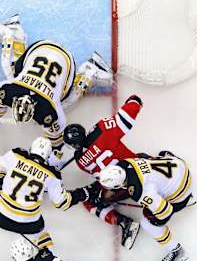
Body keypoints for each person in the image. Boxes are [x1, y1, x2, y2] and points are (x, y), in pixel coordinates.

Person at [0, 14, 113, 150]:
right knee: (10, 70)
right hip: (43, 49)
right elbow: (54, 143)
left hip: (64, 60)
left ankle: (88, 71)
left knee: (68, 100)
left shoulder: (42, 107)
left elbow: (54, 144)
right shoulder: (9, 90)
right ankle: (13, 35)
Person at [0, 137, 100, 250]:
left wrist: (5, 182)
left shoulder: (16, 154)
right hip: (30, 225)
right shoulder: (52, 174)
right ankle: (50, 258)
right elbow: (62, 203)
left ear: (31, 148)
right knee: (42, 231)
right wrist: (82, 193)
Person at [62, 95, 145, 250]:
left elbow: (102, 179)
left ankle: (125, 223)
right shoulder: (101, 129)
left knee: (90, 201)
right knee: (140, 158)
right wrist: (134, 101)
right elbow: (129, 113)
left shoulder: (80, 160)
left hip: (120, 185)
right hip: (139, 170)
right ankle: (165, 165)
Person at [98, 153, 196, 261]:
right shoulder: (126, 163)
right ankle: (180, 194)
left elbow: (166, 211)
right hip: (180, 166)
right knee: (153, 162)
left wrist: (154, 219)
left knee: (147, 223)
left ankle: (176, 250)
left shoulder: (141, 192)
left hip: (181, 191)